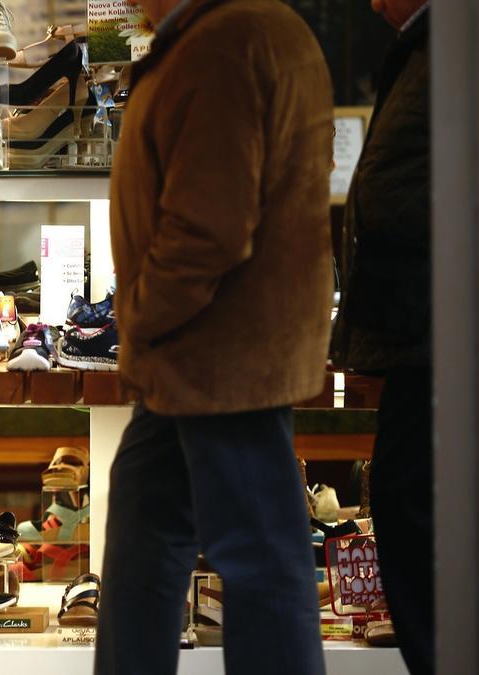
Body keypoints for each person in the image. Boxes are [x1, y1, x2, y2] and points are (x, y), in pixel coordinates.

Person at [95, 0, 334, 673]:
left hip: (220, 359)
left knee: (260, 563)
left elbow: (209, 229)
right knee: (145, 542)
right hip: (198, 357)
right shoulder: (229, 34)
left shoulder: (227, 42)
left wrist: (137, 314)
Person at [331, 2, 431, 673]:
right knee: (405, 504)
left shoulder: (455, 44)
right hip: (420, 330)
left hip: (434, 329)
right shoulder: (428, 45)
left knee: (410, 507)